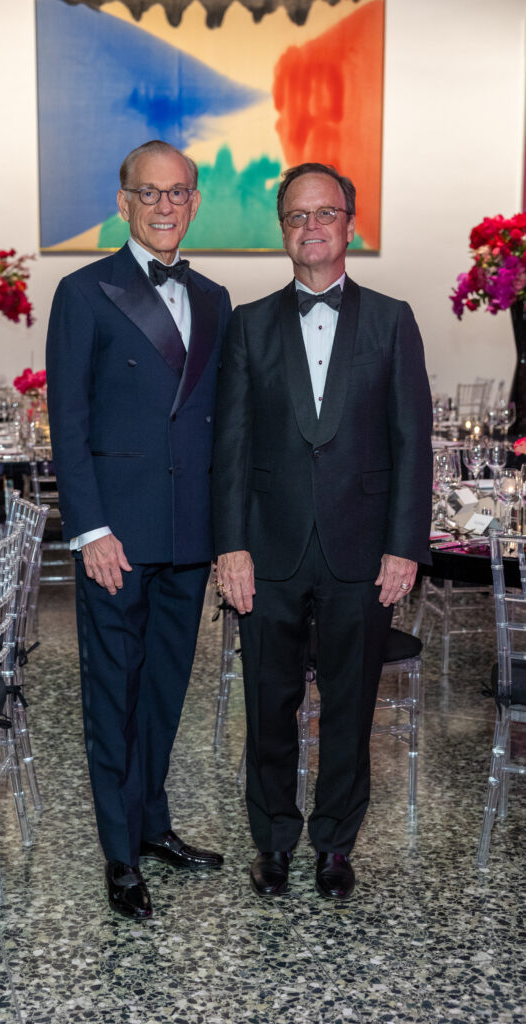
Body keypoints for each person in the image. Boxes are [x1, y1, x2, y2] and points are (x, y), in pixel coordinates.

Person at [212, 162, 432, 901]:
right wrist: (229, 545)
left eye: (325, 214)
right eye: (297, 216)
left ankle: (335, 845)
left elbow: (411, 440)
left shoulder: (393, 319)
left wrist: (404, 545)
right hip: (266, 551)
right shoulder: (246, 325)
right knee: (267, 705)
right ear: (283, 231)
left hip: (363, 552)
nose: (312, 227)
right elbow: (231, 447)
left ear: (349, 224)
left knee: (349, 707)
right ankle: (273, 839)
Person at [46, 140, 231, 921]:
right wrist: (90, 531)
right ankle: (119, 855)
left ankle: (152, 826)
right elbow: (69, 420)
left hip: (187, 535)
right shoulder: (84, 292)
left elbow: (219, 427)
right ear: (124, 201)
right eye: (148, 194)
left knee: (162, 693)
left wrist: (227, 535)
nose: (163, 206)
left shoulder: (216, 298)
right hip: (117, 537)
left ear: (193, 202)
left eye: (177, 193)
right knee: (111, 699)